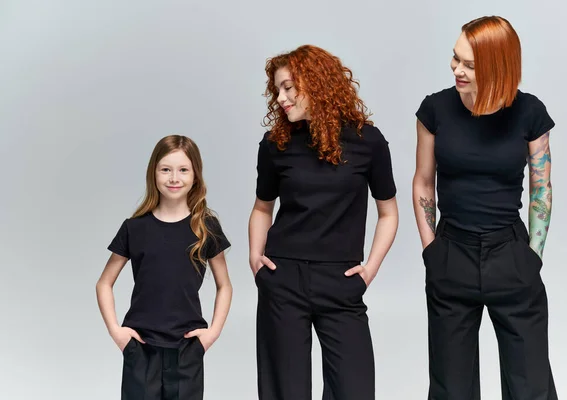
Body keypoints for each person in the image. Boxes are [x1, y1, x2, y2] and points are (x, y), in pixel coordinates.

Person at [413, 16, 558, 399]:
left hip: (511, 254)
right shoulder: (435, 111)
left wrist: (533, 257)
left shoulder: (530, 113)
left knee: (531, 387)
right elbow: (423, 181)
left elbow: (541, 189)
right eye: (455, 58)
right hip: (451, 254)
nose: (455, 68)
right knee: (451, 389)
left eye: (469, 64)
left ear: (497, 65)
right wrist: (431, 250)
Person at [248, 44, 398, 400]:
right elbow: (261, 208)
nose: (281, 98)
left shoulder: (368, 142)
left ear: (317, 83)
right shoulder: (275, 145)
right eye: (277, 90)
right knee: (286, 392)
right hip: (283, 279)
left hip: (341, 281)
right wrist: (256, 259)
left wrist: (370, 268)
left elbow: (388, 213)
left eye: (288, 87)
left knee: (355, 390)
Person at [96, 135, 233, 400]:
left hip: (187, 347)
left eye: (183, 170)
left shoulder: (206, 227)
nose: (174, 178)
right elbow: (104, 283)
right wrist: (117, 332)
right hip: (141, 347)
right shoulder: (134, 228)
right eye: (166, 169)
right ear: (154, 173)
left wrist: (212, 333)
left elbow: (224, 285)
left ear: (195, 175)